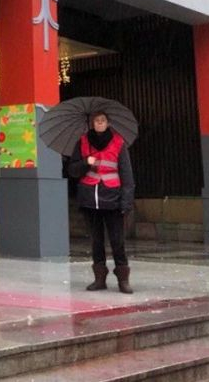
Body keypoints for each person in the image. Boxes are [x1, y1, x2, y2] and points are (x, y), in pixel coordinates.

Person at [67, 111, 135, 293]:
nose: (99, 123)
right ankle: (99, 279)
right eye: (96, 121)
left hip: (113, 199)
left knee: (117, 241)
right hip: (90, 199)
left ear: (108, 123)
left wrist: (126, 202)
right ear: (92, 123)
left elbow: (127, 175)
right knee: (96, 242)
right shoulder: (82, 142)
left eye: (102, 120)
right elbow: (72, 170)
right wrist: (86, 162)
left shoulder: (118, 143)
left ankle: (123, 279)